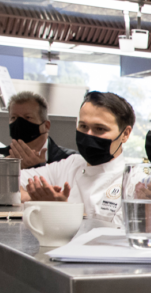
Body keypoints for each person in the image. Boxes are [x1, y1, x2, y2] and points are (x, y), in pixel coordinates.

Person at [19, 91, 133, 233]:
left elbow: (117, 237)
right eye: (83, 126)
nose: (88, 135)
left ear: (125, 134)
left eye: (99, 129)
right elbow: (11, 183)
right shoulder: (71, 164)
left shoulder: (134, 182)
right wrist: (31, 195)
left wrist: (60, 210)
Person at [0, 91, 74, 168]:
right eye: (13, 118)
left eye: (27, 117)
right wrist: (3, 169)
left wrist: (39, 168)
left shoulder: (69, 160)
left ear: (46, 126)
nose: (19, 123)